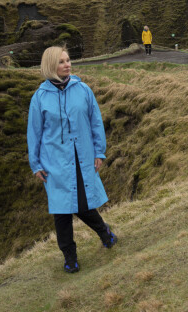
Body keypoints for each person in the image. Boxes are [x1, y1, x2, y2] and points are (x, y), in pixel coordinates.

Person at [27, 46, 117, 273]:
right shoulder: (40, 97)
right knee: (62, 212)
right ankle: (70, 258)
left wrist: (99, 152)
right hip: (54, 163)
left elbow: (96, 122)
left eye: (68, 60)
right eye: (61, 61)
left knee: (83, 204)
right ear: (50, 66)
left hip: (82, 158)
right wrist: (36, 164)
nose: (67, 64)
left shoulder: (83, 90)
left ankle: (105, 234)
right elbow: (34, 133)